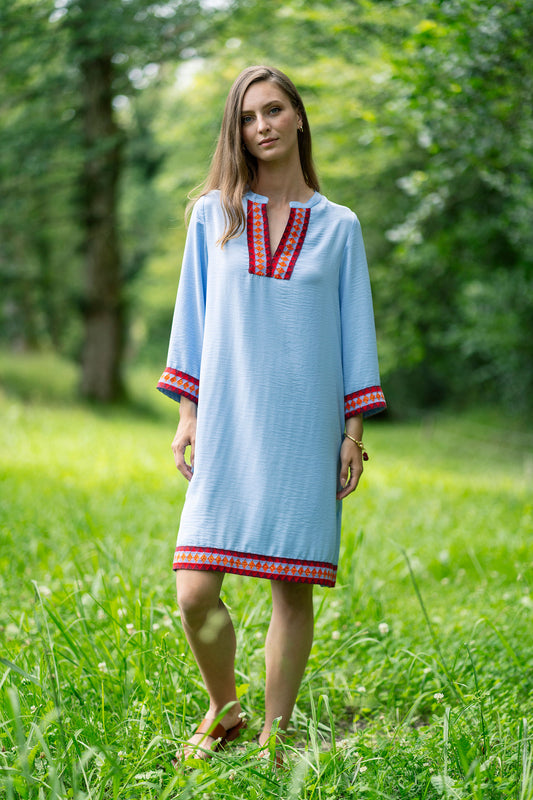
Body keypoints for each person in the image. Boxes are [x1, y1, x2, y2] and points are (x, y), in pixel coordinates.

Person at [157, 65, 386, 763]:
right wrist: (187, 415)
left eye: (274, 110)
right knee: (194, 591)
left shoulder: (338, 227)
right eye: (249, 117)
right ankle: (223, 706)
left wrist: (351, 434)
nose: (262, 126)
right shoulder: (213, 215)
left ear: (297, 117)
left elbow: (355, 333)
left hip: (303, 427)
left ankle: (274, 734)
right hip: (227, 424)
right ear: (238, 131)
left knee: (292, 589)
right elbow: (191, 321)